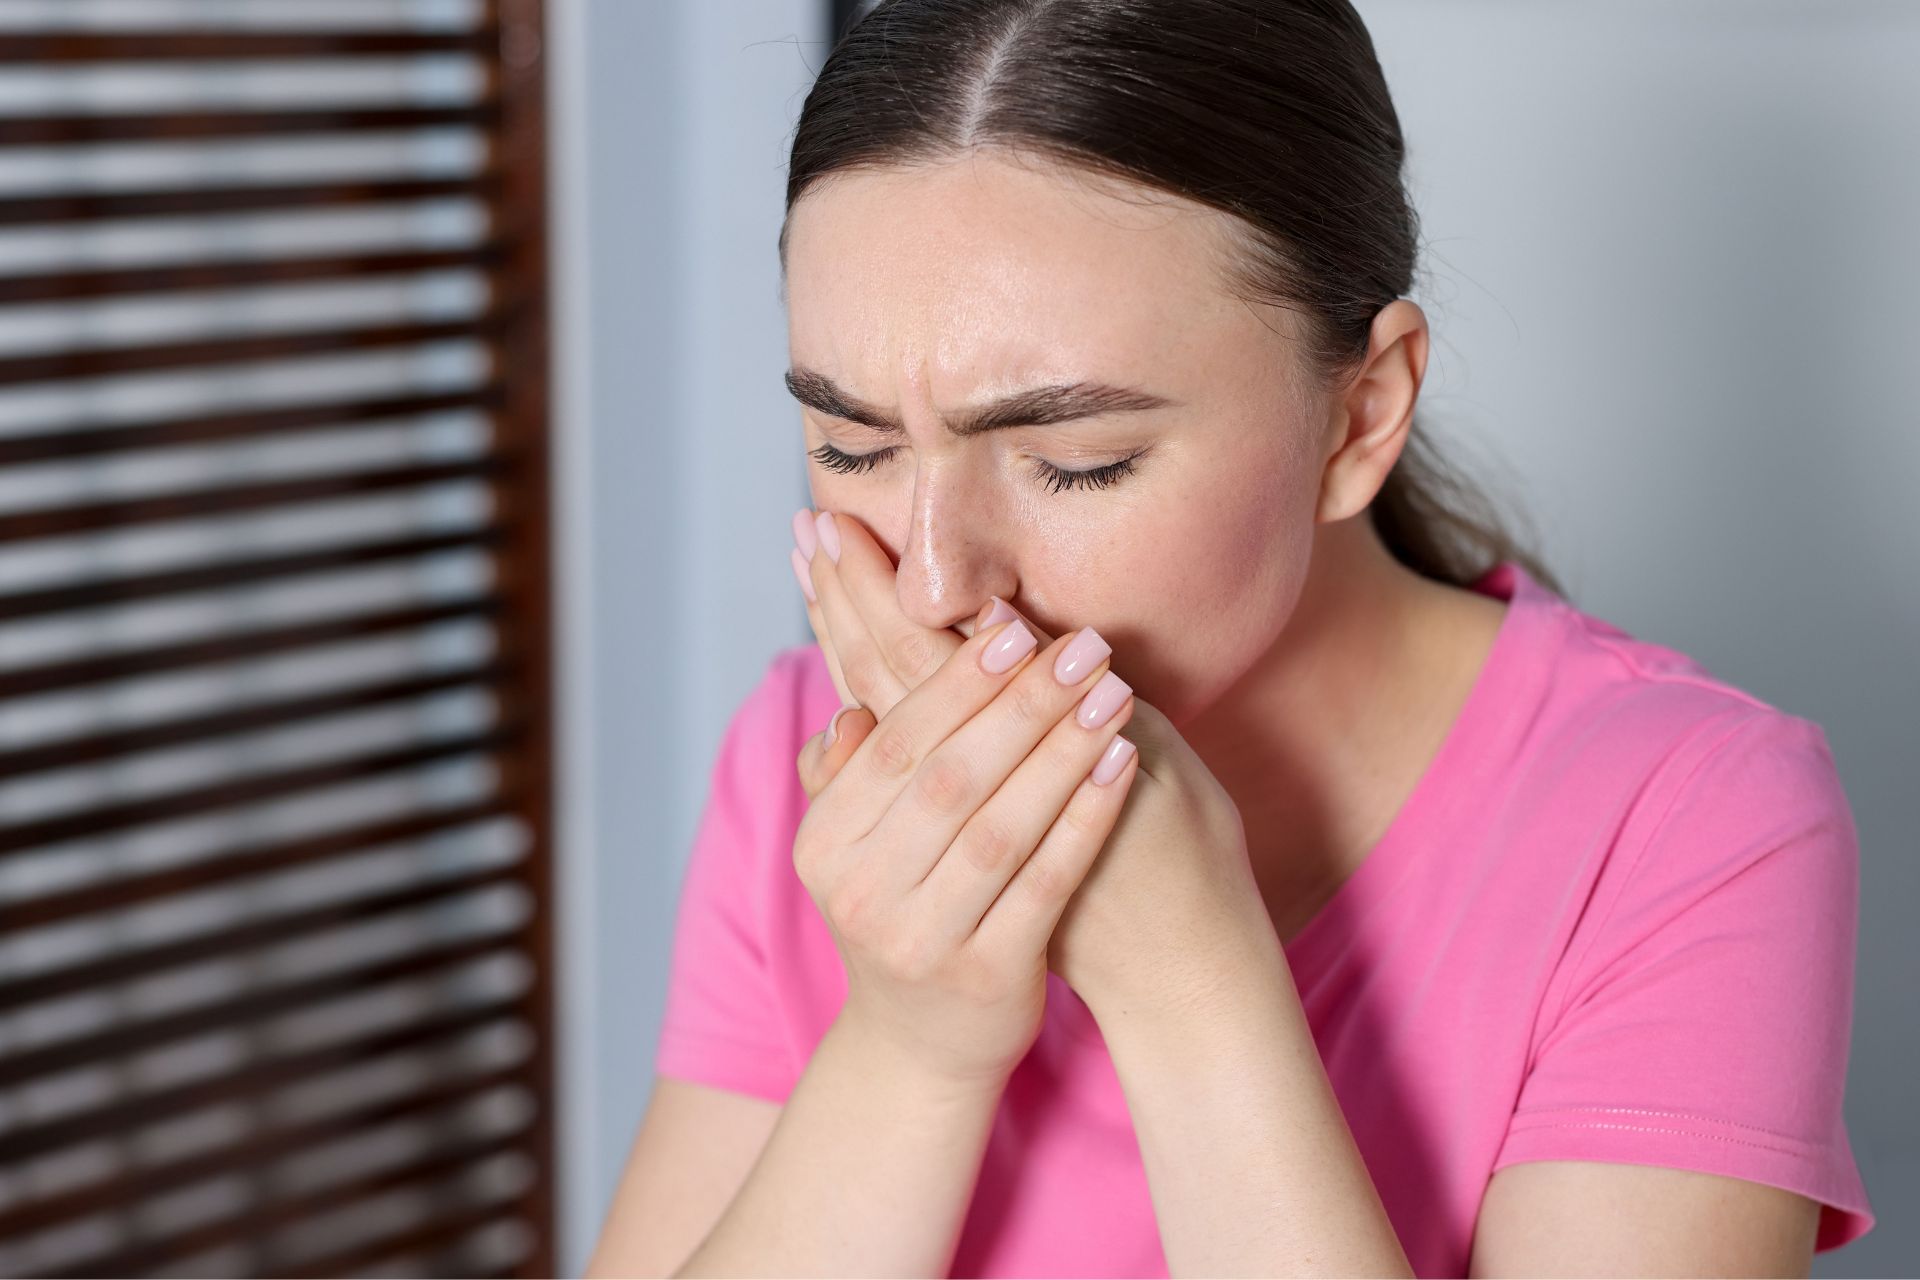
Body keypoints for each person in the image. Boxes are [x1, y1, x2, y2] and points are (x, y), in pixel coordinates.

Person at [587, 1, 1876, 1275]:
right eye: (851, 446)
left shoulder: (1685, 824)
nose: (931, 587)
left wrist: (1191, 989)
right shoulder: (807, 758)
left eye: (1078, 462)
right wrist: (910, 1047)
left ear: (1361, 416)